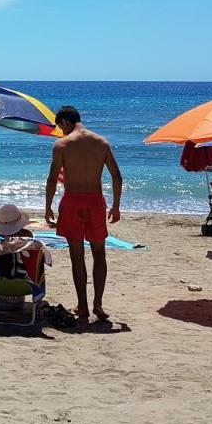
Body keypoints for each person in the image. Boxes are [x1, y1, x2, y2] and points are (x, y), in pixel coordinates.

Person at [45, 105, 122, 323]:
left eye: (60, 127)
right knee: (99, 254)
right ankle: (98, 303)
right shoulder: (102, 143)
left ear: (66, 122)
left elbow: (52, 179)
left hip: (72, 202)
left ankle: (84, 306)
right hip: (96, 203)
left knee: (76, 256)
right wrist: (116, 206)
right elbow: (117, 177)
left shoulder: (62, 145)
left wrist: (47, 205)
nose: (60, 132)